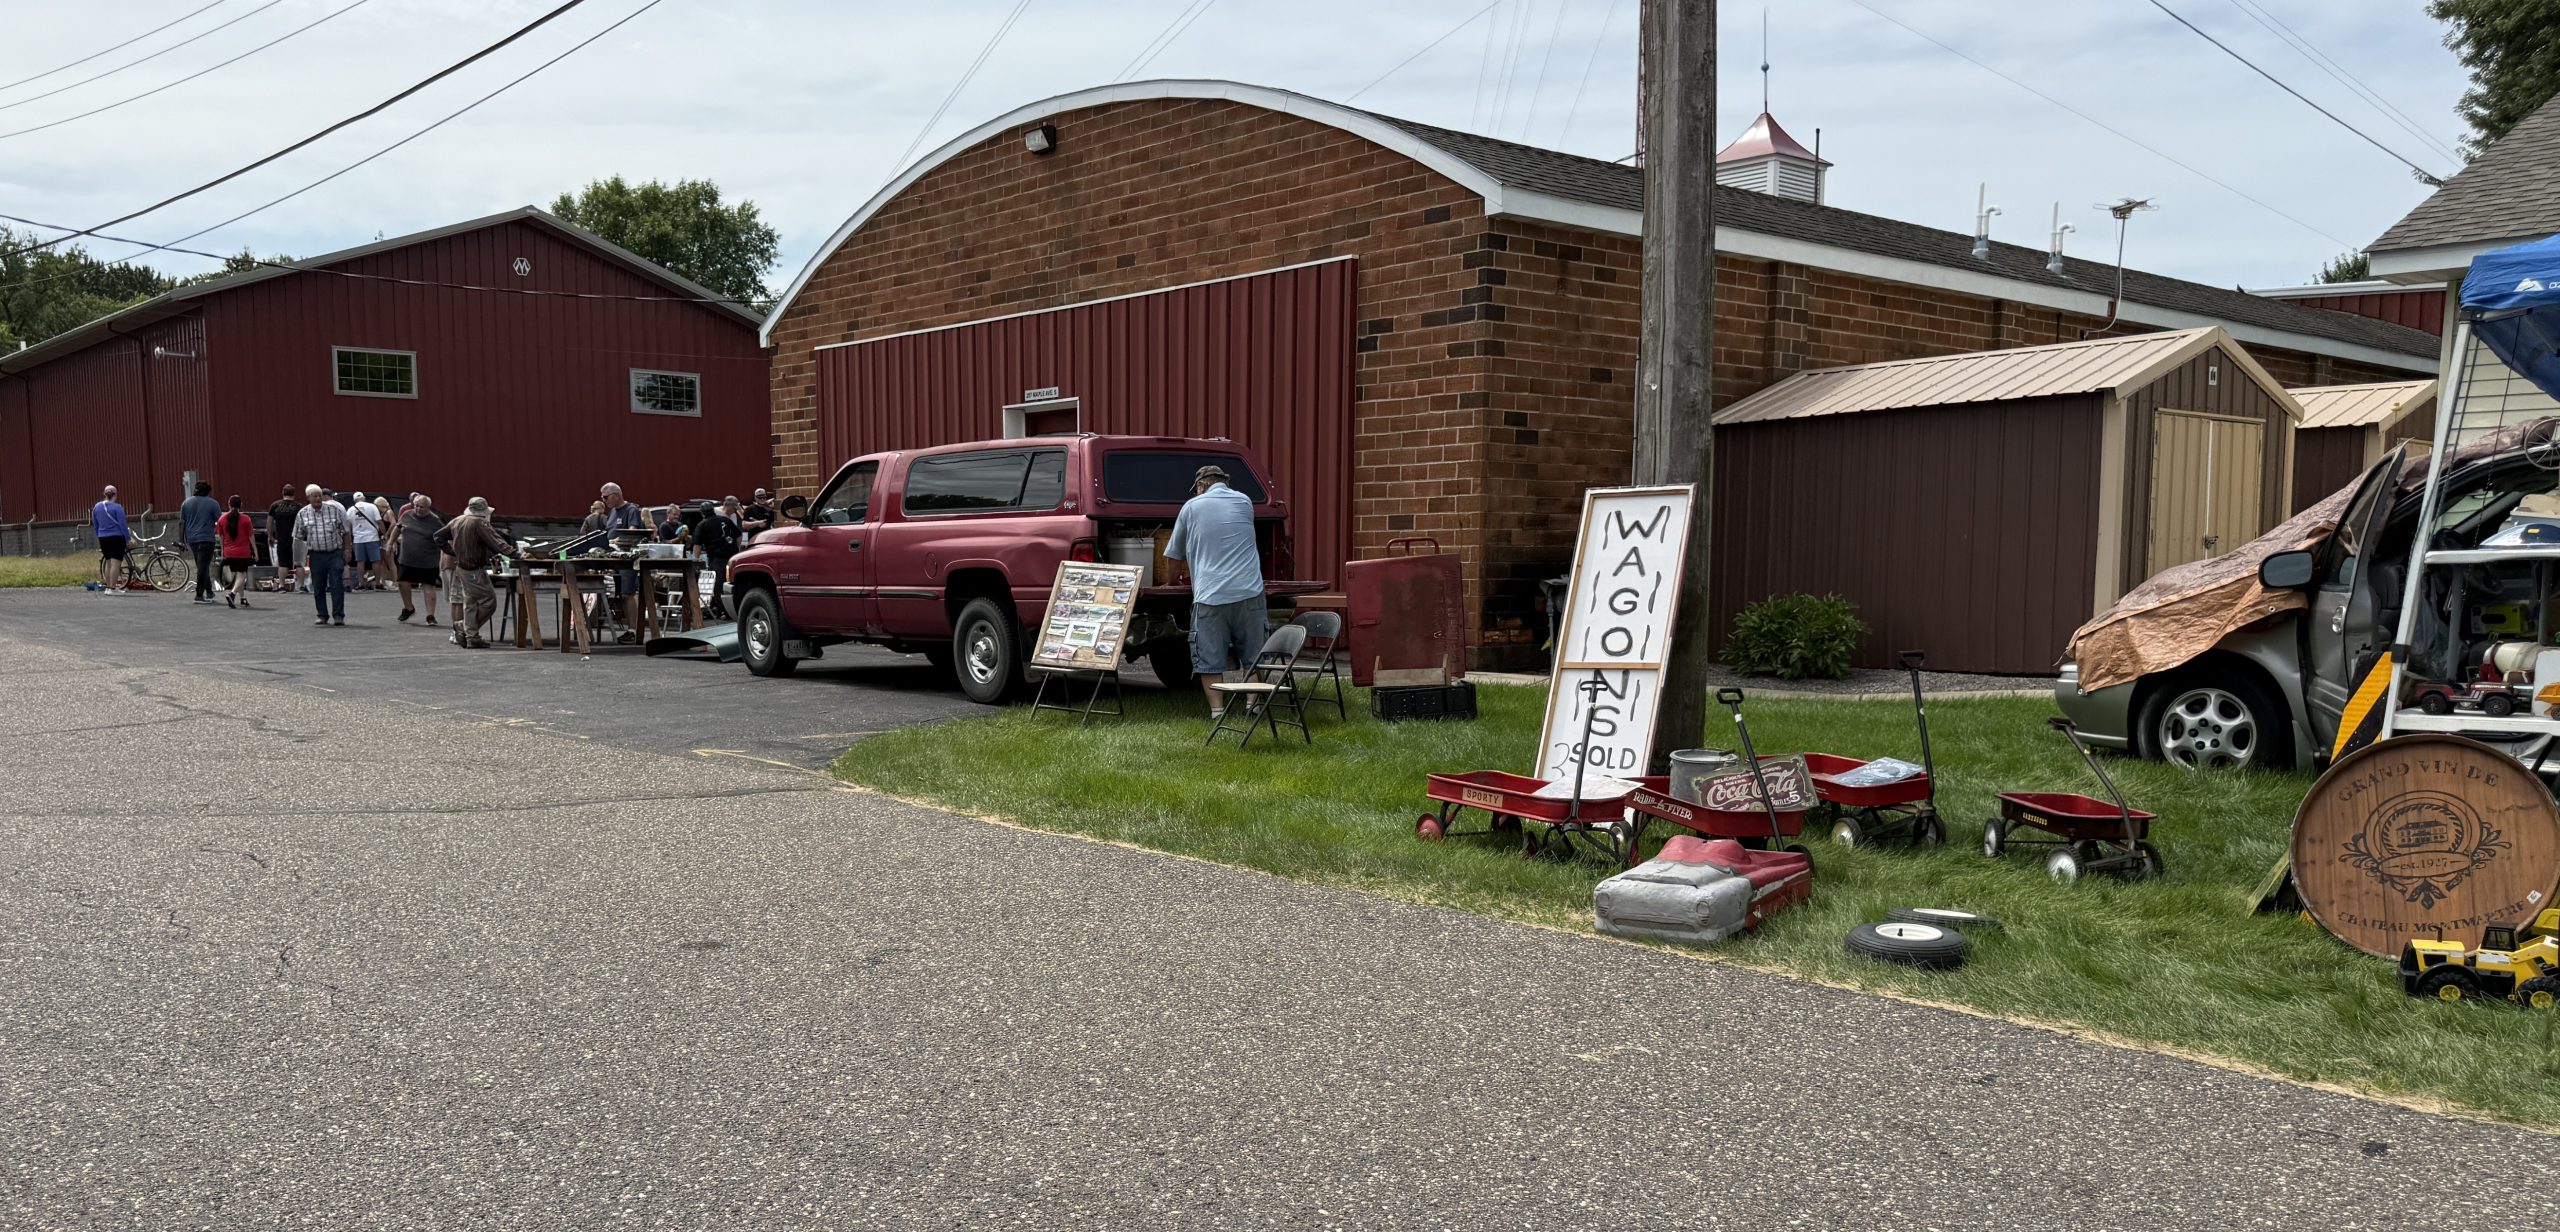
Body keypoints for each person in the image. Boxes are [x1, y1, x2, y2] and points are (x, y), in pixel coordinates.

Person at [1162, 464, 1267, 718]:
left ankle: (1217, 711)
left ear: (1201, 486)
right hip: (1250, 591)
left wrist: (1173, 582)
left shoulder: (1191, 507)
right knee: (1254, 655)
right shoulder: (1244, 502)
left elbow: (1173, 556)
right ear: (1225, 482)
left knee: (1209, 658)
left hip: (1210, 595)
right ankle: (1252, 706)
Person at [441, 496, 515, 649]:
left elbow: (438, 536)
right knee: (489, 602)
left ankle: (472, 637)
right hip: (474, 569)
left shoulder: (458, 520)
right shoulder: (479, 523)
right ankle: (465, 628)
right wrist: (515, 554)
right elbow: (498, 542)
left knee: (471, 603)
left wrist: (452, 551)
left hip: (461, 567)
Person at [294, 484, 352, 626]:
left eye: (320, 496)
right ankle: (322, 615)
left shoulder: (334, 510)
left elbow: (346, 532)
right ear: (308, 498)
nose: (318, 499)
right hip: (316, 555)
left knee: (336, 584)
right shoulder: (302, 514)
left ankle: (338, 615)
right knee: (318, 586)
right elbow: (298, 537)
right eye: (315, 496)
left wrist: (347, 550)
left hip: (334, 553)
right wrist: (297, 559)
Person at [392, 494, 446, 625]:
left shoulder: (435, 521)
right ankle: (409, 608)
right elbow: (397, 528)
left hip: (428, 560)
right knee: (402, 583)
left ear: (428, 507)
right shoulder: (407, 515)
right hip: (407, 558)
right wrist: (390, 543)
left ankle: (430, 615)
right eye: (416, 506)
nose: (418, 509)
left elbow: (444, 537)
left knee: (428, 586)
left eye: (421, 507)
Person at [695, 496, 744, 619]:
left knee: (719, 584)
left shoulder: (702, 525)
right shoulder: (725, 520)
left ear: (702, 513)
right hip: (732, 557)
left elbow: (697, 545)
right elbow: (738, 535)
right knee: (733, 582)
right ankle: (737, 608)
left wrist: (696, 559)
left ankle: (723, 611)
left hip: (717, 558)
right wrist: (737, 549)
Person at [177, 480, 221, 603]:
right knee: (203, 566)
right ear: (207, 492)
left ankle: (210, 592)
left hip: (192, 539)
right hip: (207, 538)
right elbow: (220, 521)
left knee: (202, 565)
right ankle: (199, 595)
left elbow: (181, 523)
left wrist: (181, 540)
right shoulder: (213, 503)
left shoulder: (186, 503)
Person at [216, 495, 258, 609]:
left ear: (229, 505)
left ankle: (242, 598)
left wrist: (223, 550)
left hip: (229, 552)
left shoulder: (222, 519)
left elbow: (221, 536)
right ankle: (232, 594)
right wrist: (255, 550)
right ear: (241, 505)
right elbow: (251, 536)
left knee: (239, 575)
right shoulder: (246, 519)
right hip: (242, 552)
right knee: (242, 575)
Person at [92, 485, 128, 595]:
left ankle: (108, 588)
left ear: (104, 494)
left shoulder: (97, 507)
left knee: (108, 563)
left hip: (103, 538)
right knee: (115, 564)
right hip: (116, 537)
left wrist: (99, 535)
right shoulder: (117, 507)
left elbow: (95, 524)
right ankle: (112, 588)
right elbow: (123, 525)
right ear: (115, 495)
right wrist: (127, 538)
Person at [346, 489, 384, 590]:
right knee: (375, 561)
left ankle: (361, 584)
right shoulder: (372, 507)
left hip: (358, 539)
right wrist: (385, 534)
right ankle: (378, 583)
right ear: (364, 498)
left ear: (354, 500)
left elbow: (348, 528)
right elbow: (379, 522)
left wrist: (349, 541)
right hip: (372, 537)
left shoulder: (350, 510)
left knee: (360, 562)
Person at [266, 484, 302, 587]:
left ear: (283, 493)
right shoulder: (298, 507)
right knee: (299, 564)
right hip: (296, 538)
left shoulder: (275, 505)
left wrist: (270, 536)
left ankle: (281, 585)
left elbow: (269, 522)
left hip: (281, 538)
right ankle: (302, 586)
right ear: (294, 494)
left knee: (282, 564)